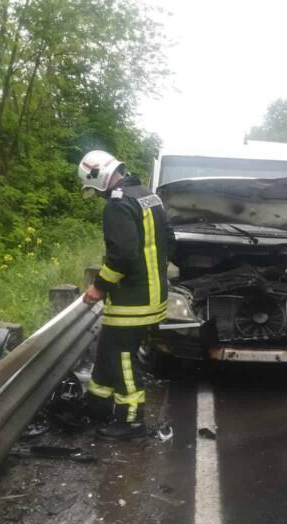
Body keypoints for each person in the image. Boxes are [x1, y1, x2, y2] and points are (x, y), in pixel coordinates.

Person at [78, 150, 174, 440]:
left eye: (95, 190)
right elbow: (169, 240)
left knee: (122, 359)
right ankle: (98, 405)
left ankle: (131, 421)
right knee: (108, 352)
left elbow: (121, 256)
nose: (99, 196)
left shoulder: (118, 205)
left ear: (99, 177)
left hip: (132, 302)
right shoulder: (148, 196)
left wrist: (99, 287)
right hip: (153, 297)